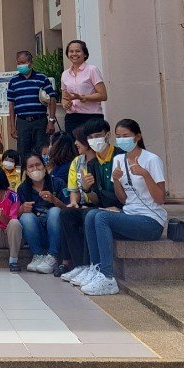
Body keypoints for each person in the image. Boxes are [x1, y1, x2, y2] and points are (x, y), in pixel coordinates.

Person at [79, 118, 168, 297]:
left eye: (126, 136)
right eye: (119, 137)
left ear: (137, 137)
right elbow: (123, 198)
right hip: (129, 214)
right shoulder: (119, 159)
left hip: (151, 222)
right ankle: (96, 268)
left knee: (102, 217)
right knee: (91, 215)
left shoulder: (151, 160)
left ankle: (107, 277)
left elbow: (160, 199)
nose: (121, 140)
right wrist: (117, 180)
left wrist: (145, 175)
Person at [60, 120, 119, 282]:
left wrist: (89, 192)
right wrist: (76, 200)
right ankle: (80, 265)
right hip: (89, 203)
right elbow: (75, 190)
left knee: (89, 214)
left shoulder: (114, 157)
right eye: (90, 137)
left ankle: (92, 265)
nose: (76, 143)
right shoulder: (80, 162)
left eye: (79, 140)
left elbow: (102, 195)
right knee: (66, 214)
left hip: (106, 205)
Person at [16, 151, 64, 274]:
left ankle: (53, 256)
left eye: (38, 165)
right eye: (31, 166)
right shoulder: (22, 189)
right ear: (26, 171)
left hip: (57, 232)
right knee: (26, 217)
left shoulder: (57, 183)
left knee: (55, 211)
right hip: (36, 233)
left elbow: (69, 209)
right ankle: (38, 255)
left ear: (45, 166)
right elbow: (15, 215)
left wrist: (54, 200)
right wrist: (22, 209)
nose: (35, 169)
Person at [6, 51, 58, 158]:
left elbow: (52, 98)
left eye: (23, 62)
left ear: (30, 63)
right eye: (18, 63)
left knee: (42, 152)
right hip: (22, 122)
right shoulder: (13, 81)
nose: (20, 65)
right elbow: (11, 104)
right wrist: (12, 126)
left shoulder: (42, 78)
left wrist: (51, 121)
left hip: (40, 121)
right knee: (23, 154)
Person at [60, 40, 107, 137]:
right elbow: (64, 97)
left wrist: (83, 97)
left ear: (85, 54)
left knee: (93, 145)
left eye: (77, 51)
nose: (74, 54)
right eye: (71, 51)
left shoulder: (92, 70)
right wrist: (65, 103)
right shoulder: (65, 74)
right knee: (73, 145)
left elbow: (103, 95)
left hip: (91, 117)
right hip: (71, 118)